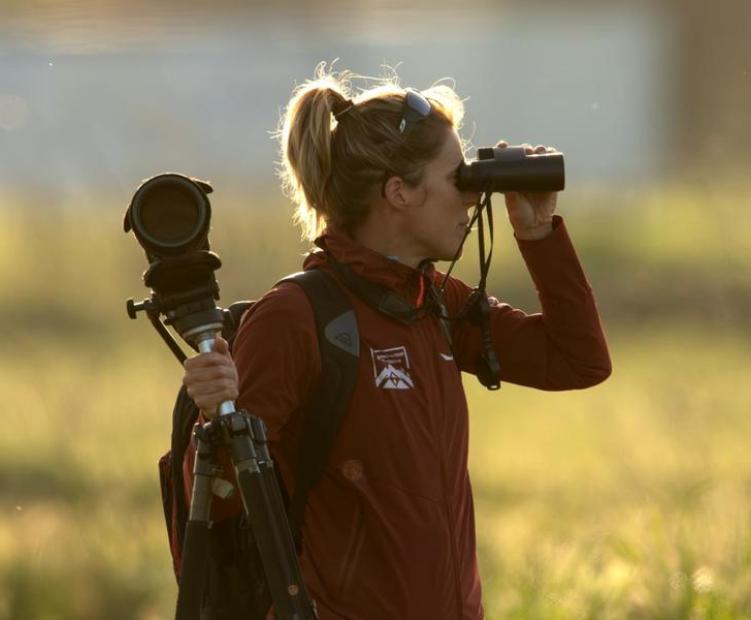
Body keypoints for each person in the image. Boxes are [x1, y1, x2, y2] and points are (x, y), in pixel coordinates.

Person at [181, 65, 612, 620]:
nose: (472, 199)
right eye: (460, 179)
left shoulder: (433, 302)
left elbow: (577, 361)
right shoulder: (297, 317)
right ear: (399, 192)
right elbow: (220, 497)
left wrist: (538, 234)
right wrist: (214, 417)